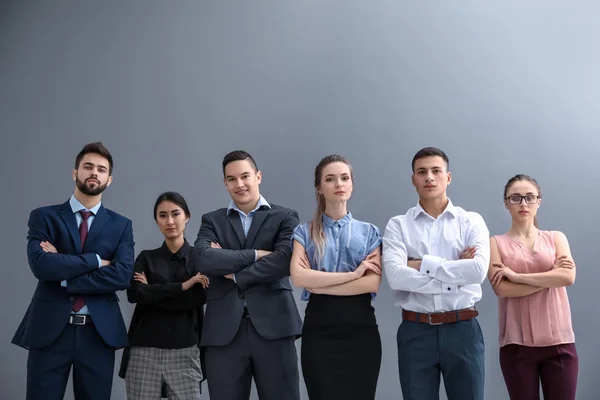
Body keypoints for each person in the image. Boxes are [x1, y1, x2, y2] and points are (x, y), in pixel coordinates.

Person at [12, 142, 135, 400]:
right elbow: (42, 266)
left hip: (98, 334)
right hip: (49, 332)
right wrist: (96, 261)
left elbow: (122, 275)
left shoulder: (121, 225)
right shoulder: (44, 217)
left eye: (101, 169)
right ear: (74, 172)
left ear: (109, 179)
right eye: (88, 166)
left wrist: (66, 275)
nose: (94, 172)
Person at [382, 146, 489, 400]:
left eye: (436, 171)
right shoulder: (398, 225)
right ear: (413, 180)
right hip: (416, 331)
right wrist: (454, 272)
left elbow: (477, 271)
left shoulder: (471, 221)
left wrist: (421, 264)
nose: (429, 177)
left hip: (463, 329)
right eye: (422, 172)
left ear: (448, 177)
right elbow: (396, 276)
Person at [194, 150, 302, 400]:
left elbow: (285, 260)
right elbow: (202, 258)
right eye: (231, 179)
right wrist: (256, 254)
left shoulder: (285, 216)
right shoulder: (212, 220)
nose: (239, 184)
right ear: (225, 183)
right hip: (223, 333)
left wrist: (234, 273)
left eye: (245, 176)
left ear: (258, 176)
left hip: (275, 327)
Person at [290, 154, 383, 400]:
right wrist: (353, 274)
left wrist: (318, 283)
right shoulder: (304, 231)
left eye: (344, 178)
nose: (339, 184)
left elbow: (372, 283)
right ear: (319, 188)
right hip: (319, 330)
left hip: (360, 329)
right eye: (330, 179)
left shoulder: (370, 232)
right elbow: (299, 277)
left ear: (352, 184)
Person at [488, 174, 578, 400]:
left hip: (560, 343)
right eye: (516, 198)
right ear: (506, 203)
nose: (523, 204)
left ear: (539, 201)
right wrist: (550, 277)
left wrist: (517, 276)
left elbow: (567, 277)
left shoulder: (556, 238)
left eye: (530, 197)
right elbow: (502, 290)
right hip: (516, 345)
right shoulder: (494, 243)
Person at [119, 191, 209, 399]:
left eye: (175, 214)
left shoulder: (200, 259)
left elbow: (197, 298)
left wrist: (153, 290)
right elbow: (134, 294)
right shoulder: (146, 258)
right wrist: (184, 286)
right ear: (156, 220)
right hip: (143, 351)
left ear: (187, 216)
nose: (170, 221)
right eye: (162, 215)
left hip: (185, 350)